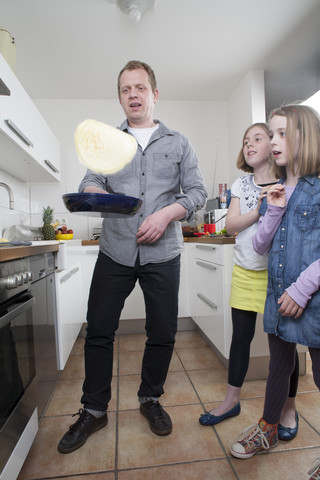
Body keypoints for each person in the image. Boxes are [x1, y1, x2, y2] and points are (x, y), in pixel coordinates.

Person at [57, 60, 208, 454]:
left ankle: (150, 398)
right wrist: (93, 188)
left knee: (162, 333)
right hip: (115, 251)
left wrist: (166, 214)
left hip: (164, 254)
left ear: (154, 94)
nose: (134, 95)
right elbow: (92, 179)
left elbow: (196, 193)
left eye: (140, 88)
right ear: (120, 97)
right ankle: (93, 409)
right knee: (100, 331)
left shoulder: (179, 143)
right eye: (126, 89)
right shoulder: (109, 140)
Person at [230, 105, 320, 480]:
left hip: (310, 298)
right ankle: (267, 428)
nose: (274, 141)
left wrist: (302, 290)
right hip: (277, 295)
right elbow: (262, 245)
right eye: (272, 133)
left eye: (281, 133)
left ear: (305, 136)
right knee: (278, 369)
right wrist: (274, 210)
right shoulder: (278, 189)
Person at [199, 123, 299, 441]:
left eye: (258, 138)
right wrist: (260, 209)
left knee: (285, 346)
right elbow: (230, 226)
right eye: (246, 141)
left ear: (273, 145)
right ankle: (231, 401)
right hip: (244, 271)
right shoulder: (242, 184)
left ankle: (288, 408)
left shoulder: (289, 182)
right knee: (240, 338)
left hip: (278, 277)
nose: (250, 144)